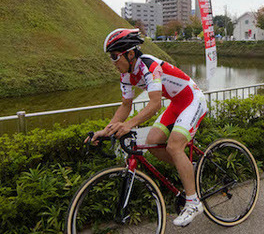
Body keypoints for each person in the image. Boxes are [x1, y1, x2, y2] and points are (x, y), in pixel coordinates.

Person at [89, 28, 208, 227]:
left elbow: (154, 104)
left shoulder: (149, 66)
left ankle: (194, 202)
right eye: (111, 57)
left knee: (174, 146)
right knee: (153, 141)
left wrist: (127, 126)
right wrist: (105, 130)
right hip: (177, 103)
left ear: (130, 53)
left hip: (192, 99)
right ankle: (190, 169)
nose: (113, 62)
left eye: (115, 56)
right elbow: (125, 106)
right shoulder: (126, 75)